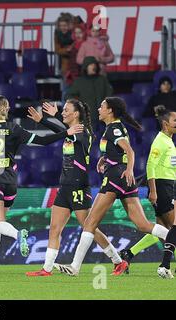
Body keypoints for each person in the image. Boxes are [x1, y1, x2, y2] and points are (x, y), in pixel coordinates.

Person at [0, 95, 84, 279]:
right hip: (10, 181)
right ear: (7, 110)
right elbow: (43, 141)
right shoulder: (15, 128)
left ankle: (17, 234)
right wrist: (65, 133)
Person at [54, 97, 169, 276]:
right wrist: (105, 158)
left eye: (102, 106)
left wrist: (129, 169)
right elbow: (120, 151)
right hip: (124, 179)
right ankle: (172, 236)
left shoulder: (113, 129)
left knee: (90, 223)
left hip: (115, 178)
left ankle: (75, 267)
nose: (98, 109)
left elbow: (130, 151)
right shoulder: (116, 127)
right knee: (143, 224)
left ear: (110, 111)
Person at [25, 100, 125, 277]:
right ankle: (46, 269)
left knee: (89, 227)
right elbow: (64, 132)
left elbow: (64, 133)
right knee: (55, 228)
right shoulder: (71, 132)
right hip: (64, 186)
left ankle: (117, 260)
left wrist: (47, 119)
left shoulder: (83, 132)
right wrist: (46, 119)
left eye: (66, 110)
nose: (63, 112)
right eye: (62, 111)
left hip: (78, 185)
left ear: (76, 114)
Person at [120, 106, 176, 274]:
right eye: (175, 121)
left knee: (162, 230)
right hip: (162, 187)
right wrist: (153, 191)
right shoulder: (160, 141)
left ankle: (128, 254)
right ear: (166, 124)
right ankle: (165, 265)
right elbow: (150, 165)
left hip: (167, 185)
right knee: (172, 228)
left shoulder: (168, 141)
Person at [65, 56, 113, 128]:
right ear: (86, 67)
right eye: (91, 65)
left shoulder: (102, 80)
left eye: (95, 64)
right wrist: (80, 105)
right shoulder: (79, 81)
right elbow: (68, 96)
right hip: (87, 119)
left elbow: (110, 94)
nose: (94, 67)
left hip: (103, 118)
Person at [54, 14, 74, 78]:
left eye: (65, 25)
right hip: (64, 64)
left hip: (76, 63)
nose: (63, 28)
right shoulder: (57, 35)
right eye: (61, 26)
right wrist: (66, 50)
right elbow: (57, 50)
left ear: (69, 25)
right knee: (65, 84)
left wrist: (72, 48)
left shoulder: (74, 33)